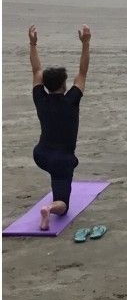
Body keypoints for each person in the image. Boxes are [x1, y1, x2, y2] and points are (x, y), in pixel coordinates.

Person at [28, 24, 91, 230]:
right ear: (65, 85)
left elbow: (37, 70)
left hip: (41, 155)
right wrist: (85, 43)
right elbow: (82, 71)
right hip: (62, 160)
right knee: (63, 204)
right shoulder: (72, 99)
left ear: (45, 84)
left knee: (55, 172)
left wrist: (33, 44)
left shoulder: (40, 97)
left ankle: (51, 206)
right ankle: (49, 208)